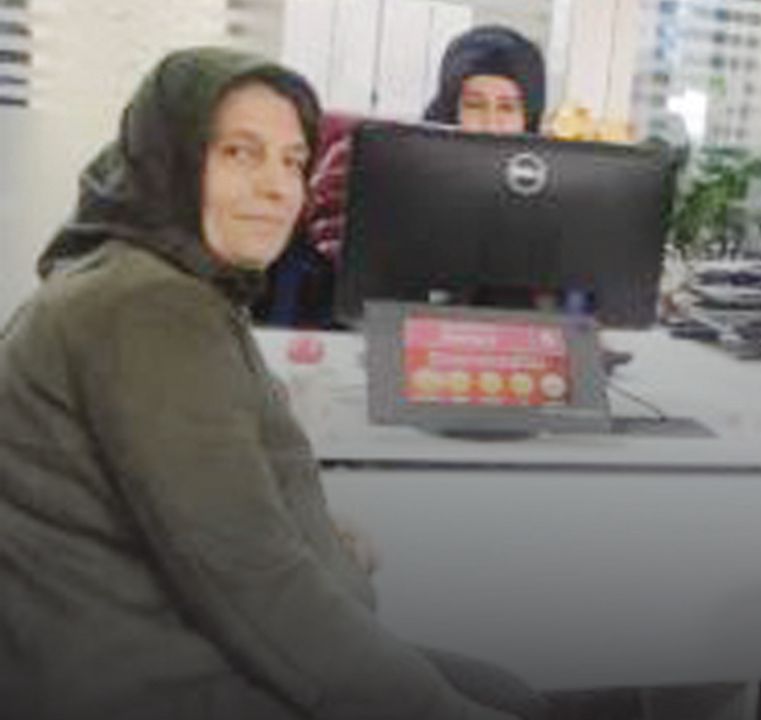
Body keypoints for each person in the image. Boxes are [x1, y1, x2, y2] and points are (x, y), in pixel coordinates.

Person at [0, 46, 545, 720]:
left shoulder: (151, 278)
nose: (279, 188)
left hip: (147, 632)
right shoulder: (147, 310)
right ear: (171, 160)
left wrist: (316, 533)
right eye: (240, 153)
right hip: (147, 673)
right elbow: (254, 587)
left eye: (292, 161)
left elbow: (198, 502)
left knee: (502, 689)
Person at [256, 25, 545, 326]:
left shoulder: (546, 188)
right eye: (474, 105)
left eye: (507, 108)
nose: (490, 123)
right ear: (450, 105)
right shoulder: (381, 158)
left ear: (528, 118)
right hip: (379, 322)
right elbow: (328, 253)